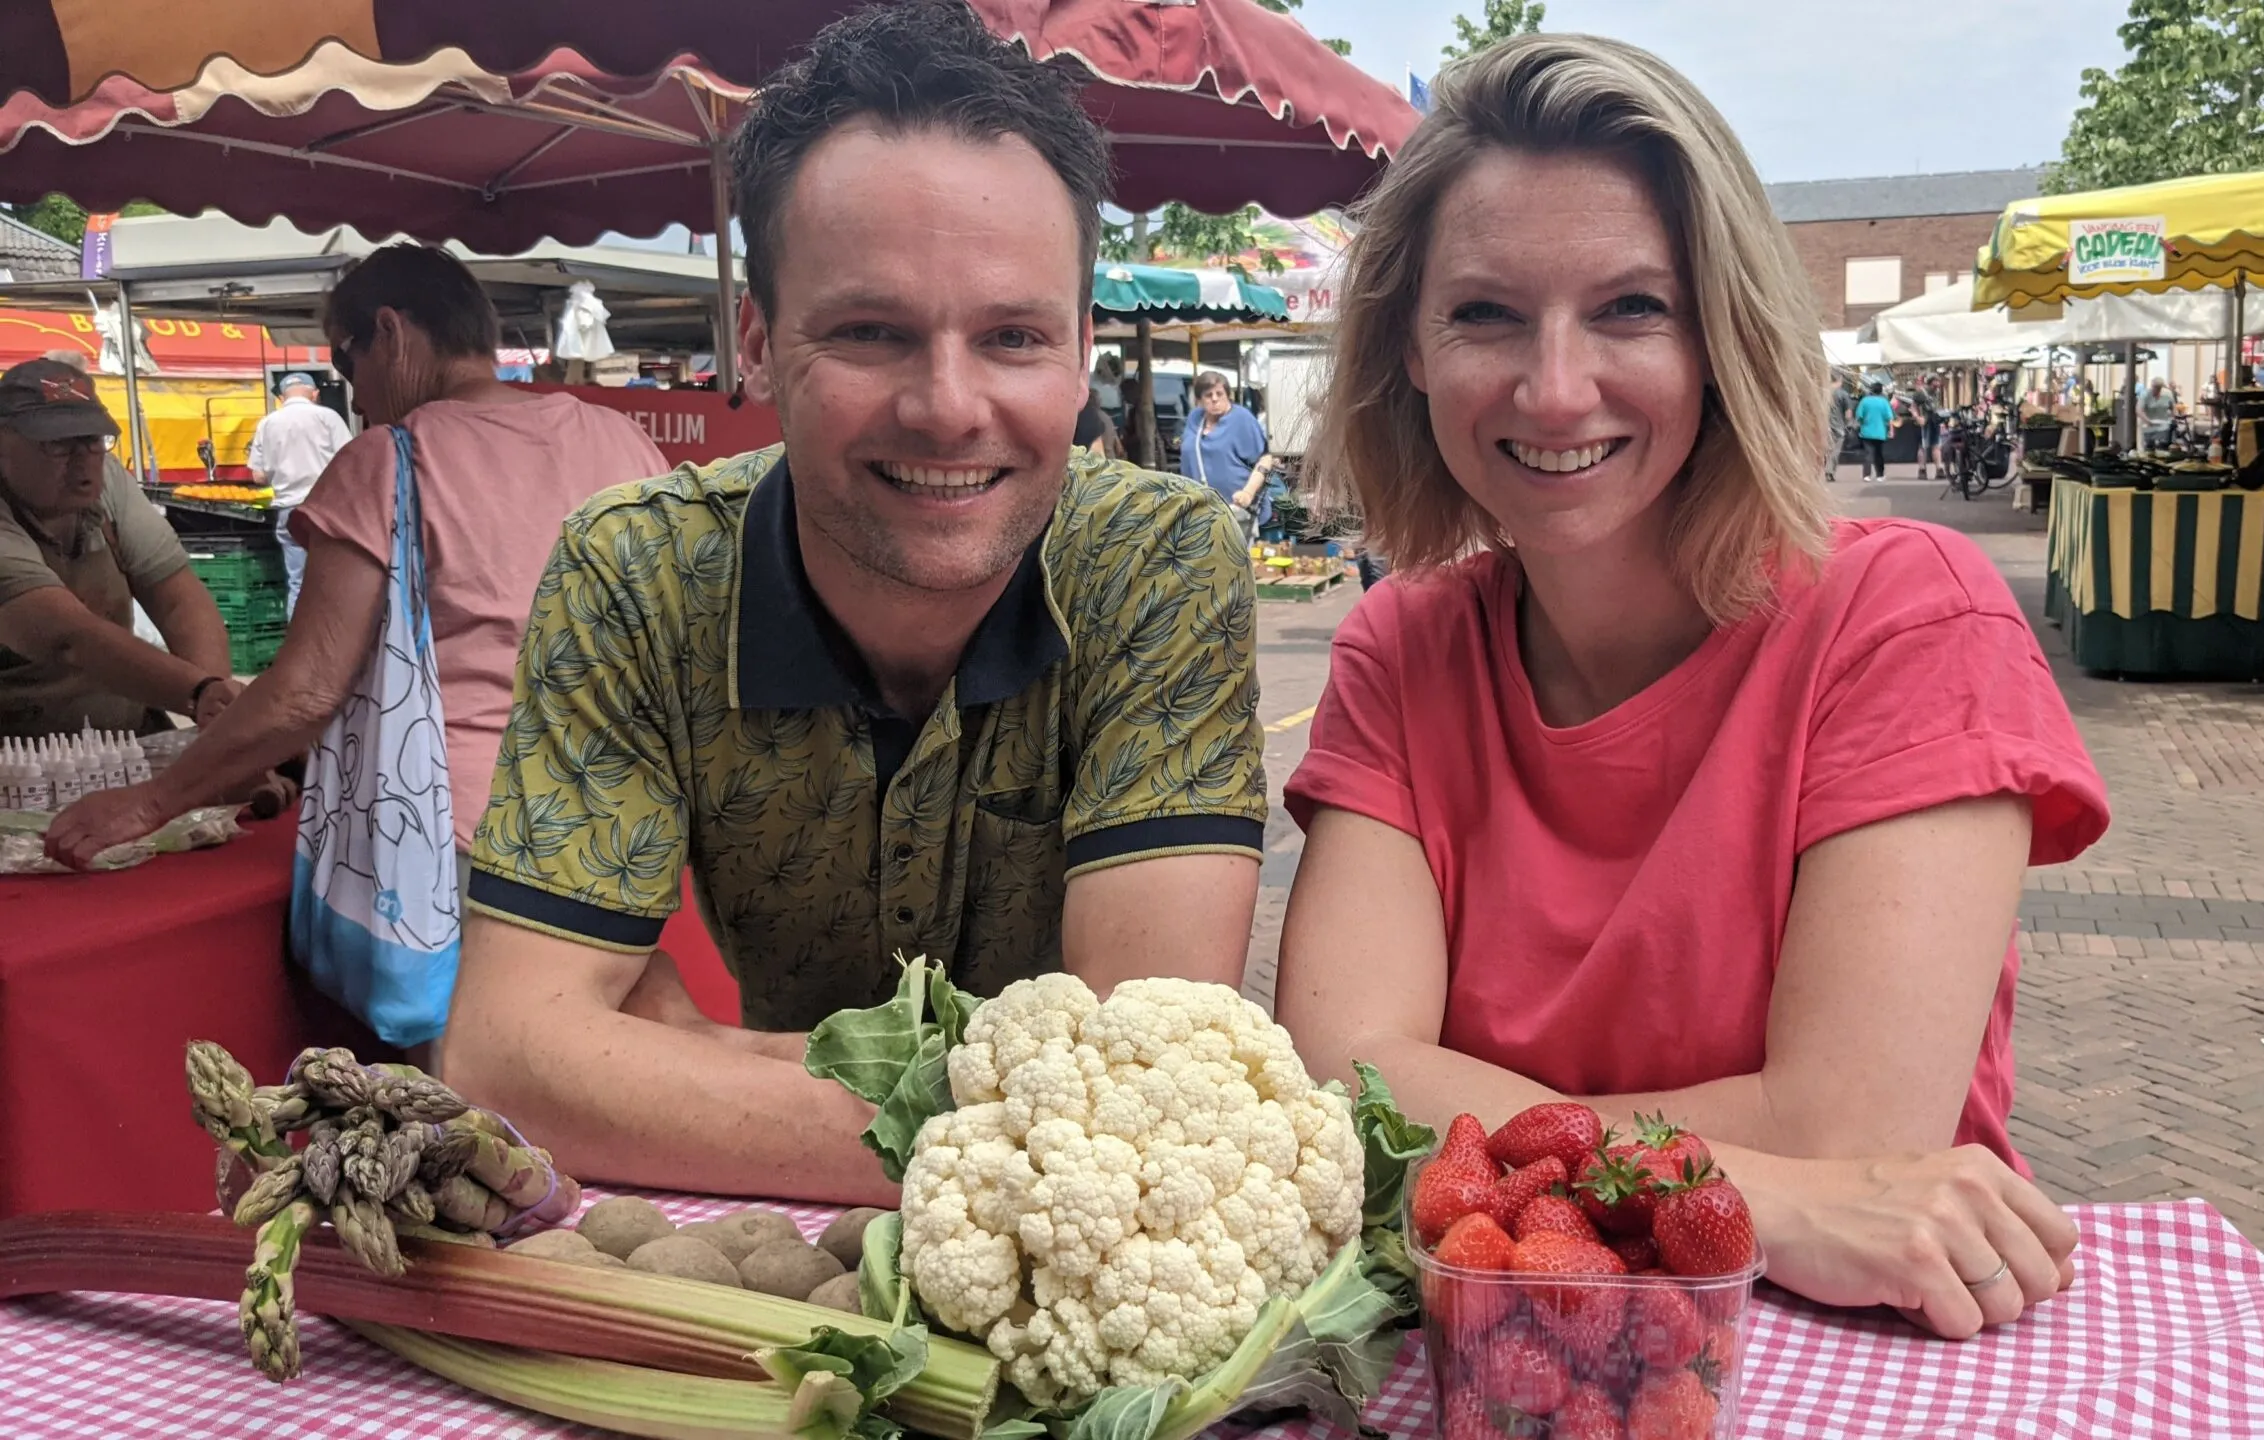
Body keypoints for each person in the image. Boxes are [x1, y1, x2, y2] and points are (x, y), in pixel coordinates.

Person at [1282, 33, 2109, 1342]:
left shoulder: (1906, 617)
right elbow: (1342, 1075)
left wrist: (1474, 1122)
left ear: (1724, 337)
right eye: (1486, 313)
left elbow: (1849, 1129)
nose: (1555, 390)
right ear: (1412, 354)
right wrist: (1766, 1194)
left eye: (1631, 309)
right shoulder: (1402, 647)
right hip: (1503, 1352)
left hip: (1851, 1350)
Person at [437, 0, 1267, 1205]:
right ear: (763, 345)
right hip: (791, 1274)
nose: (945, 407)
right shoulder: (639, 576)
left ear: (1083, 350)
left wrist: (695, 1061)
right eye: (873, 333)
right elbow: (504, 1063)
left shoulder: (1154, 561)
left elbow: (1143, 1085)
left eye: (1012, 336)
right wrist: (1023, 1128)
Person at [46, 247, 669, 897]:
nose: (355, 391)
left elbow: (308, 691)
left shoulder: (392, 461)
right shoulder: (624, 440)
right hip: (618, 818)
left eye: (346, 359)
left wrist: (149, 803)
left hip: (464, 837)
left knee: (472, 1003)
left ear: (391, 333)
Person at [0, 358, 241, 738]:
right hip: (19, 763)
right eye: (58, 445)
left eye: (93, 440)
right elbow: (70, 638)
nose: (84, 461)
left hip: (124, 740)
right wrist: (196, 692)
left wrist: (217, 706)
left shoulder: (107, 479)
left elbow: (178, 600)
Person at [246, 371, 352, 613]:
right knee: (335, 579)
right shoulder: (327, 417)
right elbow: (349, 459)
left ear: (283, 397)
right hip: (327, 508)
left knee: (298, 583)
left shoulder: (267, 423)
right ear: (314, 394)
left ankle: (298, 642)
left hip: (289, 510)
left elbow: (258, 475)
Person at [1180, 370, 1277, 532]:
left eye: (1219, 393)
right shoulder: (1195, 418)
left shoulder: (1241, 419)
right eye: (1208, 395)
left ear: (1228, 395)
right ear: (1199, 400)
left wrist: (1248, 493)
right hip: (1203, 513)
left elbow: (1265, 459)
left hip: (1240, 513)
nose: (1215, 399)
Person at [1854, 379, 1893, 480]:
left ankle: (1867, 475)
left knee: (1868, 453)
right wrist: (1891, 430)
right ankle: (1880, 475)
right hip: (1880, 432)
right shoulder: (1884, 402)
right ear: (1881, 391)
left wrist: (1862, 423)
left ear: (1871, 390)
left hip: (1866, 431)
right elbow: (1889, 418)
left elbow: (1859, 416)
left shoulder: (1864, 401)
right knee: (1879, 454)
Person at [2140, 379, 2177, 450]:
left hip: (2162, 424)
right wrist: (2146, 420)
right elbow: (2140, 409)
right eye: (2155, 387)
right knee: (2150, 444)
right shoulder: (2147, 394)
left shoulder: (2167, 394)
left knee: (2162, 443)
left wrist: (2173, 417)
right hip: (2150, 423)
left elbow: (2173, 407)